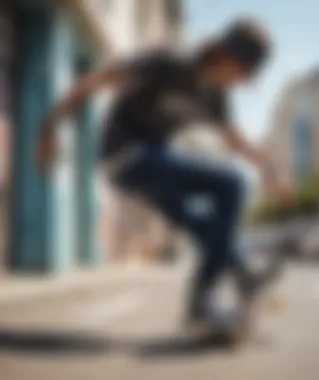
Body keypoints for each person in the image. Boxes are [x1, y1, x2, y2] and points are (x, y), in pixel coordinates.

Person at [37, 19, 289, 328]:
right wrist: (49, 129)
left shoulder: (216, 97)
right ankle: (203, 300)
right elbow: (93, 82)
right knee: (231, 184)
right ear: (226, 56)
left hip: (155, 167)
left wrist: (272, 168)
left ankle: (242, 274)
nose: (240, 83)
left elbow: (236, 142)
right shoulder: (168, 62)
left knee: (206, 225)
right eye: (242, 73)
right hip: (126, 156)